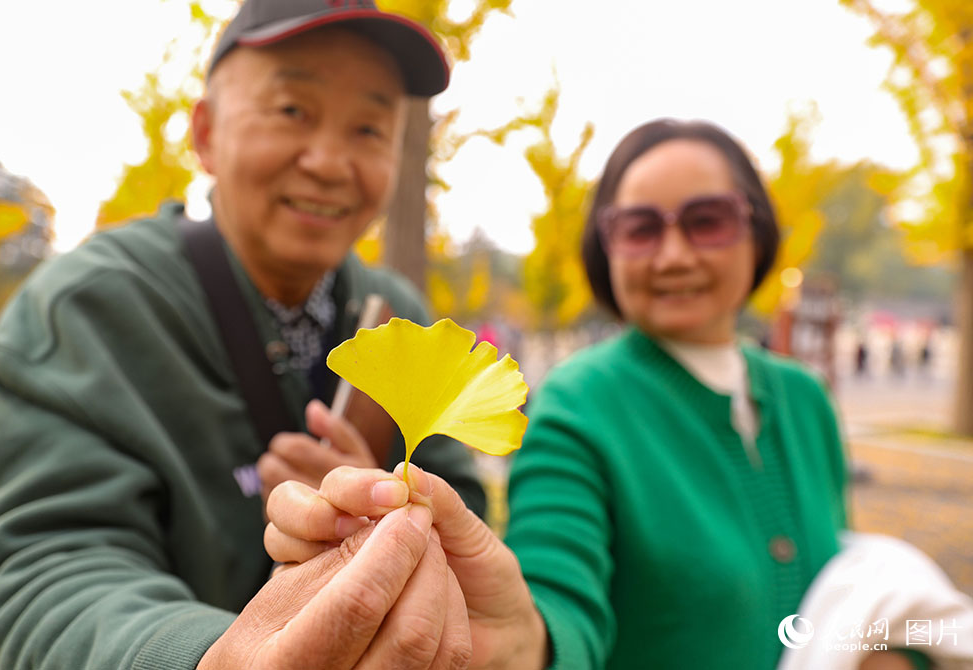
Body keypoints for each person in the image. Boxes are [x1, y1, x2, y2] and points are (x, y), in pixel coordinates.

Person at [269, 119, 930, 669]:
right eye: (641, 228)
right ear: (603, 247)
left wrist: (902, 652)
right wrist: (525, 641)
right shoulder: (578, 405)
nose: (673, 255)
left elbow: (842, 577)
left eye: (707, 221)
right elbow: (557, 596)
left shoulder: (804, 398)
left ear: (755, 231)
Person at [0, 1, 485, 668]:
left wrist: (388, 509)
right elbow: (34, 567)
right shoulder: (92, 305)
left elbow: (471, 509)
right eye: (293, 110)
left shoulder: (404, 320)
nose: (328, 161)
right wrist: (213, 657)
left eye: (370, 128)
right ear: (205, 133)